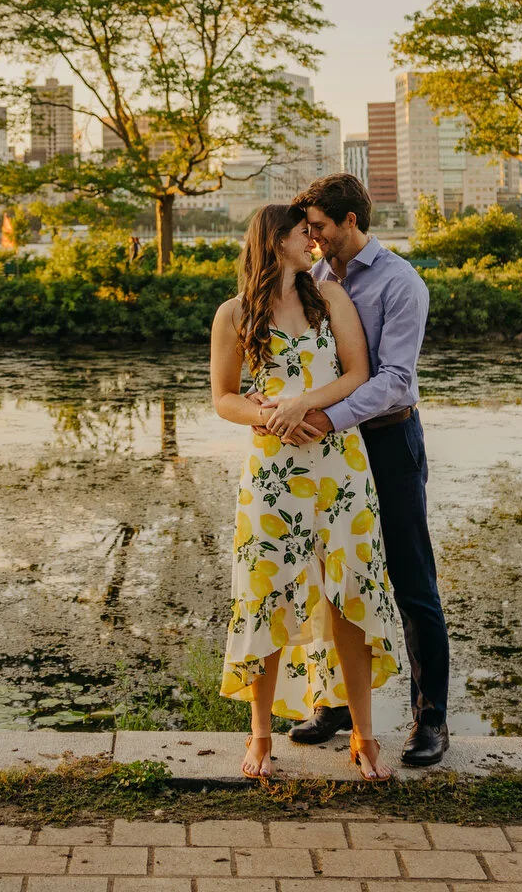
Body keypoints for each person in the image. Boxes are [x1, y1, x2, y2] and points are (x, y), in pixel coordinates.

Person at [209, 201, 410, 781]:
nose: (314, 241)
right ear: (275, 243)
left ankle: (365, 738)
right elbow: (223, 397)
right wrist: (269, 414)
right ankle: (260, 737)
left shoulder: (332, 300)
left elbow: (357, 375)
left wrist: (305, 404)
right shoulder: (235, 314)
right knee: (266, 595)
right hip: (273, 475)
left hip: (339, 470)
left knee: (348, 593)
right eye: (304, 233)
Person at [283, 171, 450, 768]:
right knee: (332, 576)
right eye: (309, 230)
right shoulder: (315, 278)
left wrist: (328, 417)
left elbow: (395, 380)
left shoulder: (402, 283)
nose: (314, 238)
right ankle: (334, 706)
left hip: (388, 441)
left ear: (350, 221)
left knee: (412, 582)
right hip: (330, 453)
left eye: (321, 227)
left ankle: (430, 720)